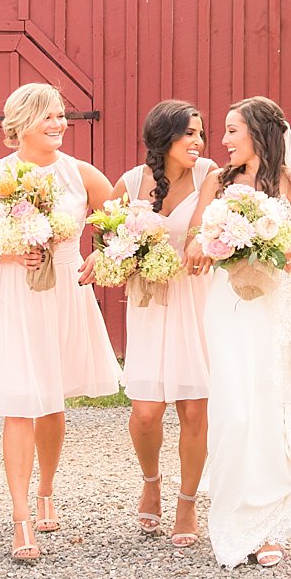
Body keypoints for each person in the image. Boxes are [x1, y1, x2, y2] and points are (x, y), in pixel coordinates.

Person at [0, 83, 122, 561]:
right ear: (21, 124)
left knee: (52, 404)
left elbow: (123, 226)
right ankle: (20, 520)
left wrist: (103, 255)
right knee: (19, 404)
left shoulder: (82, 174)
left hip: (63, 297)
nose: (58, 125)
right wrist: (12, 252)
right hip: (12, 296)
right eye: (47, 117)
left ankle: (46, 491)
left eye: (60, 116)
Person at [183, 96, 291, 569]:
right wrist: (210, 244)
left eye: (231, 131)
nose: (222, 141)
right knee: (235, 410)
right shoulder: (216, 182)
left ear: (260, 133)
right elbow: (192, 240)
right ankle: (231, 515)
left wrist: (286, 241)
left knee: (272, 403)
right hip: (230, 307)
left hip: (276, 308)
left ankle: (271, 525)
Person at [83, 100, 215, 548]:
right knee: (144, 414)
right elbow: (108, 237)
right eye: (189, 134)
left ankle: (187, 501)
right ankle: (152, 479)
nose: (198, 142)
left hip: (196, 299)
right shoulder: (129, 182)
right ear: (164, 138)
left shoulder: (209, 175)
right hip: (148, 305)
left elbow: (203, 233)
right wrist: (105, 255)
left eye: (201, 133)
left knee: (194, 408)